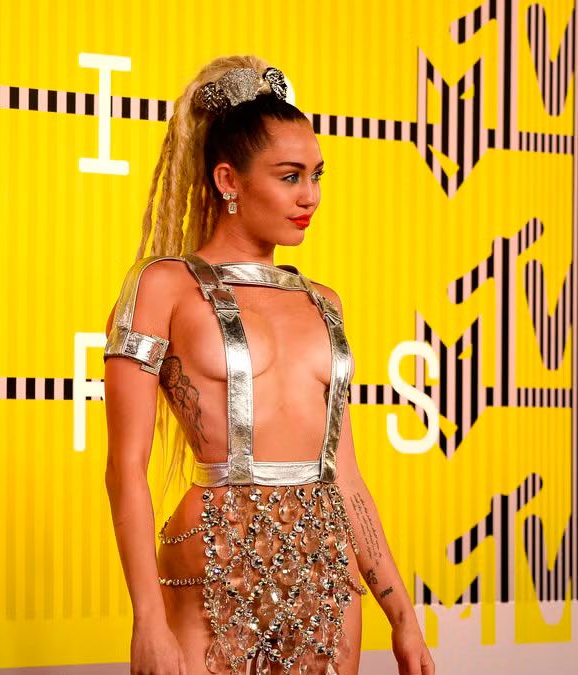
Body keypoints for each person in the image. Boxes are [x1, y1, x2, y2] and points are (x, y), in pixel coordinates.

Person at [103, 55, 435, 675]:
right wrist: (146, 620)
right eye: (289, 177)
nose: (310, 196)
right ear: (228, 180)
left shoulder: (324, 303)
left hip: (327, 576)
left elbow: (346, 477)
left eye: (316, 175)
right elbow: (126, 468)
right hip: (210, 569)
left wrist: (403, 617)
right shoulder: (163, 286)